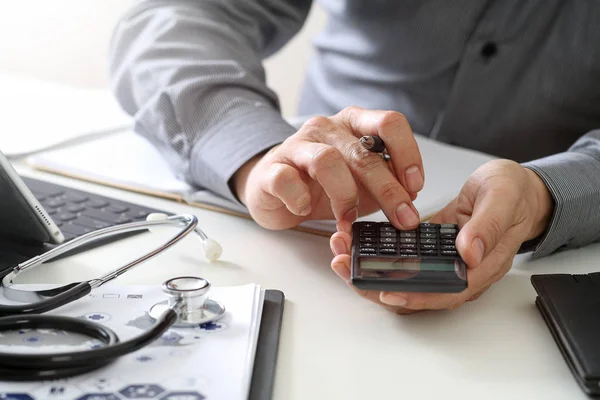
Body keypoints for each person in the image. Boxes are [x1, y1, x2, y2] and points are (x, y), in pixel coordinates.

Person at [108, 1, 600, 313]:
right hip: (301, 223)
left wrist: (545, 193)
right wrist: (256, 155)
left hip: (542, 273)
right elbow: (175, 16)